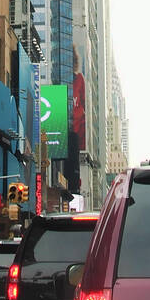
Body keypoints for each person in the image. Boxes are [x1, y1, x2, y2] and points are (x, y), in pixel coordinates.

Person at [67, 48, 85, 197]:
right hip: (62, 132)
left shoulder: (79, 79)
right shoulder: (59, 82)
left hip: (76, 134)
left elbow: (84, 105)